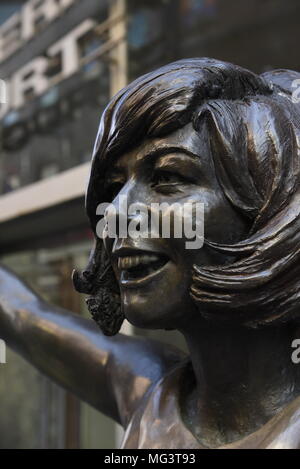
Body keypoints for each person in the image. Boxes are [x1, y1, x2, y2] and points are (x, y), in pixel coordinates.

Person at [1, 58, 300, 449]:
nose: (118, 213)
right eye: (114, 188)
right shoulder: (153, 393)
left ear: (271, 211)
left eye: (168, 177)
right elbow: (23, 315)